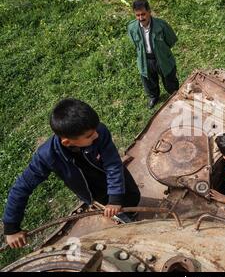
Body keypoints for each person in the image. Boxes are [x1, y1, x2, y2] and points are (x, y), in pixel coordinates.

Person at [2, 98, 141, 249]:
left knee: (132, 197)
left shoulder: (98, 131)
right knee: (109, 208)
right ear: (67, 142)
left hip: (116, 179)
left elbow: (113, 164)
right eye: (89, 136)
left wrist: (115, 198)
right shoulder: (46, 156)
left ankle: (130, 212)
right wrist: (11, 228)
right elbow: (22, 187)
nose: (95, 136)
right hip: (93, 192)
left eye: (95, 131)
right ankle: (123, 216)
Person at [127, 0, 179, 109]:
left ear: (149, 11)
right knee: (149, 80)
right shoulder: (132, 28)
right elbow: (136, 45)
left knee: (169, 78)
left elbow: (171, 40)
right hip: (146, 60)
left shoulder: (161, 25)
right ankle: (154, 96)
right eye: (137, 15)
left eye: (143, 14)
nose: (141, 18)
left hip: (162, 58)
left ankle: (175, 94)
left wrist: (161, 51)